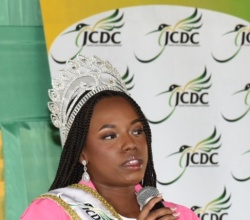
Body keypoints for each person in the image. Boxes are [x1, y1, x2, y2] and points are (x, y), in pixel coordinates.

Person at [21, 54, 199, 220]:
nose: (130, 144)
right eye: (110, 136)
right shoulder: (52, 211)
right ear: (82, 153)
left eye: (137, 131)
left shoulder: (180, 215)